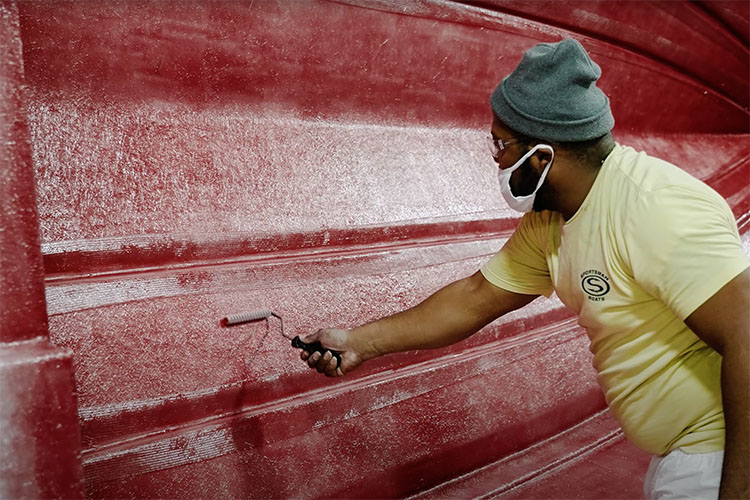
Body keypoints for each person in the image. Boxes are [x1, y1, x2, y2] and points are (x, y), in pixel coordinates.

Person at [298, 38, 749, 499]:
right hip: (684, 453)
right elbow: (476, 297)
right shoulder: (552, 222)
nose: (495, 157)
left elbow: (747, 336)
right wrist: (359, 343)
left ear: (541, 155)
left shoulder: (655, 209)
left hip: (718, 452)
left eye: (500, 143)